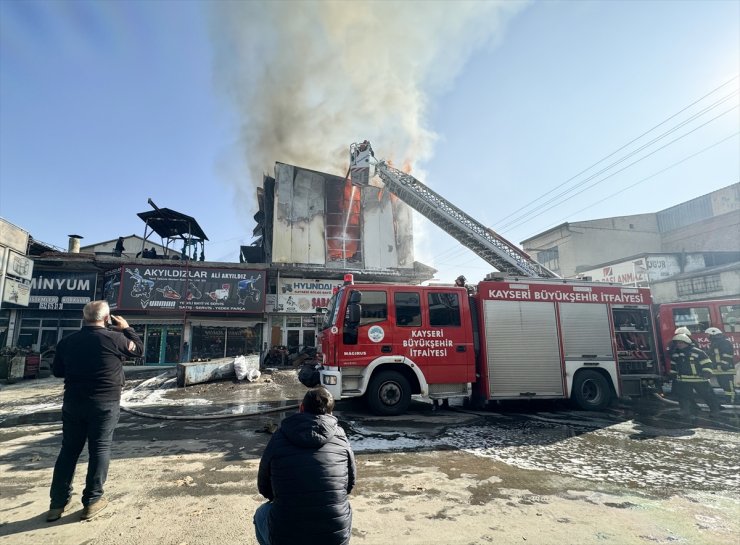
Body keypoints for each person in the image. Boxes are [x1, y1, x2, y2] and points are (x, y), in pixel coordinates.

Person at [47, 300, 143, 522]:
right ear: (107, 318)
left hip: (73, 402)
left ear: (84, 318)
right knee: (99, 448)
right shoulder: (115, 338)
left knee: (69, 450)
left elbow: (57, 371)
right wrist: (127, 328)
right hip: (104, 403)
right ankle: (92, 501)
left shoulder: (67, 342)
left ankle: (57, 504)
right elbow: (138, 350)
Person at [254, 387, 356, 545]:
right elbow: (349, 485)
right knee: (343, 508)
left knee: (261, 514)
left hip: (285, 537)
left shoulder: (279, 437)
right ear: (331, 412)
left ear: (301, 408)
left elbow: (264, 487)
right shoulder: (341, 438)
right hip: (334, 538)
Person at [668, 333, 721, 417]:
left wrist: (706, 372)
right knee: (683, 396)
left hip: (699, 379)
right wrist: (672, 374)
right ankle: (685, 410)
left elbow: (707, 363)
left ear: (686, 342)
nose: (678, 345)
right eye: (677, 343)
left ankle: (715, 410)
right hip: (683, 380)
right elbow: (674, 365)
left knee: (707, 395)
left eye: (680, 343)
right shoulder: (676, 354)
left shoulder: (698, 352)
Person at [705, 327, 736, 404]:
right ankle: (728, 400)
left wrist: (724, 364)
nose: (707, 337)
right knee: (723, 385)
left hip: (726, 370)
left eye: (708, 335)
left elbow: (727, 355)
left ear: (713, 334)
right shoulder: (714, 343)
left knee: (728, 387)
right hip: (718, 370)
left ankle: (732, 402)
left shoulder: (724, 343)